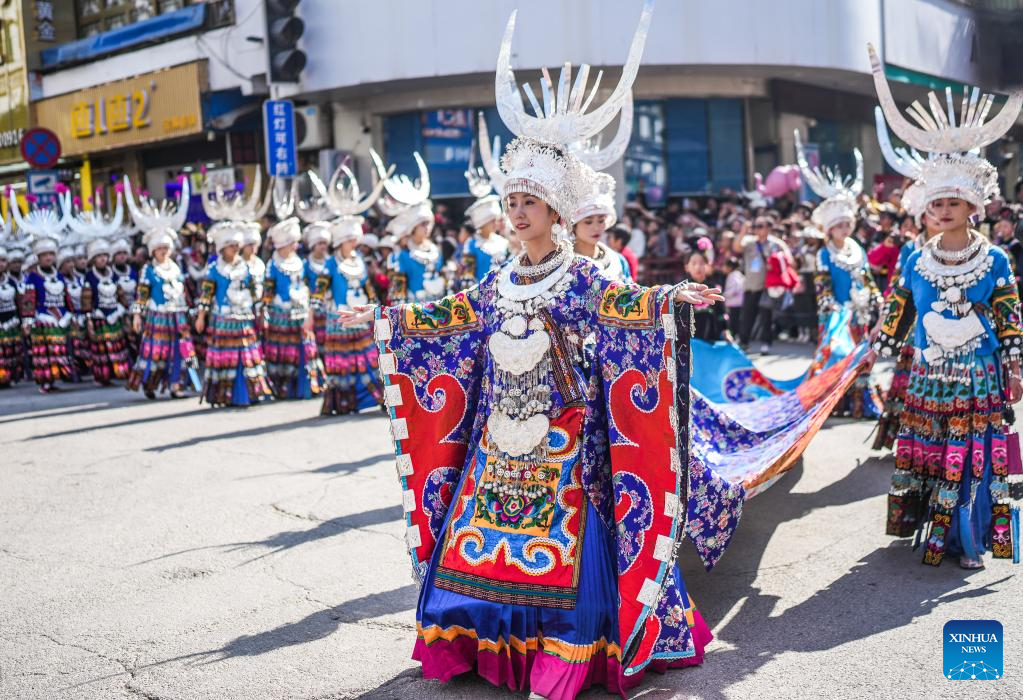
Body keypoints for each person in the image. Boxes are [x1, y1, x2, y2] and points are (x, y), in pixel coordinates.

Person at [339, 9, 737, 696]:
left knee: (565, 557)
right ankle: (481, 643)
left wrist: (667, 300)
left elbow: (621, 307)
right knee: (483, 543)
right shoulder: (497, 280)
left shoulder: (581, 275)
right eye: (510, 200)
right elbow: (453, 317)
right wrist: (389, 317)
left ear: (556, 212)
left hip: (565, 441)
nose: (516, 211)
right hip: (497, 446)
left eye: (529, 201)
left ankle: (563, 652)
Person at [868, 48, 1023, 568]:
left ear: (973, 207)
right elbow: (898, 308)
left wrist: (1016, 365)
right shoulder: (915, 257)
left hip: (977, 372)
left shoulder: (995, 258)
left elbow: (1008, 315)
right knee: (931, 448)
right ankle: (931, 532)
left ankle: (968, 538)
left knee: (974, 451)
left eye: (952, 203)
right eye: (936, 204)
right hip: (929, 372)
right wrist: (879, 353)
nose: (942, 211)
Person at [796, 132, 882, 417]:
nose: (845, 229)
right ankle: (834, 402)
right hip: (837, 316)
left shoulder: (857, 248)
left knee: (861, 357)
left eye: (848, 224)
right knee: (838, 358)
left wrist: (877, 299)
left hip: (860, 315)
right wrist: (831, 307)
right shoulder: (824, 254)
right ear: (829, 229)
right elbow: (821, 287)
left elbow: (867, 278)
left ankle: (862, 403)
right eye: (840, 226)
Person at [194, 222, 273, 407]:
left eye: (237, 245)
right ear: (222, 248)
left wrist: (263, 313)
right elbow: (206, 296)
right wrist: (201, 316)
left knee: (247, 356)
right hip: (224, 319)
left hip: (244, 318)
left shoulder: (246, 268)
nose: (235, 249)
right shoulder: (214, 269)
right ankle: (225, 395)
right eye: (231, 246)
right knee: (226, 357)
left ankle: (249, 393)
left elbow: (256, 295)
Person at [314, 215, 384, 415]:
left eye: (355, 239)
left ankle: (379, 397)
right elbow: (320, 290)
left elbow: (367, 287)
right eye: (351, 239)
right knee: (343, 361)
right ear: (341, 241)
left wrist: (374, 306)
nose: (354, 243)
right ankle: (343, 403)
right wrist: (313, 312)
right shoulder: (330, 263)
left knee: (369, 357)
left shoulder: (359, 260)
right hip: (340, 319)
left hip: (360, 316)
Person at [127, 228, 200, 399]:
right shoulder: (149, 270)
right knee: (156, 352)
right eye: (160, 248)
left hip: (178, 317)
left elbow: (184, 292)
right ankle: (150, 384)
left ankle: (177, 385)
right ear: (153, 250)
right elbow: (142, 294)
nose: (163, 251)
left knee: (181, 351)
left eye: (166, 247)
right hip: (158, 317)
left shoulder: (175, 268)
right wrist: (137, 315)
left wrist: (190, 309)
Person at [261, 217, 323, 400]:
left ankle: (306, 385)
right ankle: (284, 387)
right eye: (292, 243)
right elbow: (268, 291)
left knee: (303, 348)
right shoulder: (273, 265)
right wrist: (266, 309)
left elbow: (310, 284)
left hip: (301, 311)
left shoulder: (300, 263)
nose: (295, 246)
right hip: (282, 313)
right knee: (284, 350)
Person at [732, 216, 792, 353]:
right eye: (755, 226)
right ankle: (744, 342)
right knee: (747, 315)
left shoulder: (776, 244)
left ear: (768, 228)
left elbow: (789, 260)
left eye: (760, 226)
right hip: (751, 285)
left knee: (766, 316)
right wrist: (743, 230)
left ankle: (766, 343)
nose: (756, 229)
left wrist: (776, 263)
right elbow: (736, 247)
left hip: (768, 286)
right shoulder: (749, 242)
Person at [82, 238, 132, 386]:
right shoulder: (90, 276)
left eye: (104, 255)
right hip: (100, 318)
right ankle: (103, 376)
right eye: (98, 256)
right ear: (93, 259)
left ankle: (120, 372)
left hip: (115, 316)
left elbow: (121, 294)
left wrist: (124, 311)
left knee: (118, 345)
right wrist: (89, 319)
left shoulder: (113, 274)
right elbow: (86, 300)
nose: (102, 259)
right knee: (102, 349)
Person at [570, 171, 631, 282]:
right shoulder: (564, 264)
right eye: (588, 222)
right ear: (574, 226)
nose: (596, 227)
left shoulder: (618, 261)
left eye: (601, 220)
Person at [0, 245, 21, 387]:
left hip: (12, 321)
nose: (0, 264)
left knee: (13, 352)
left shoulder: (12, 281)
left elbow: (19, 302)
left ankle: (10, 377)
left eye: (3, 260)